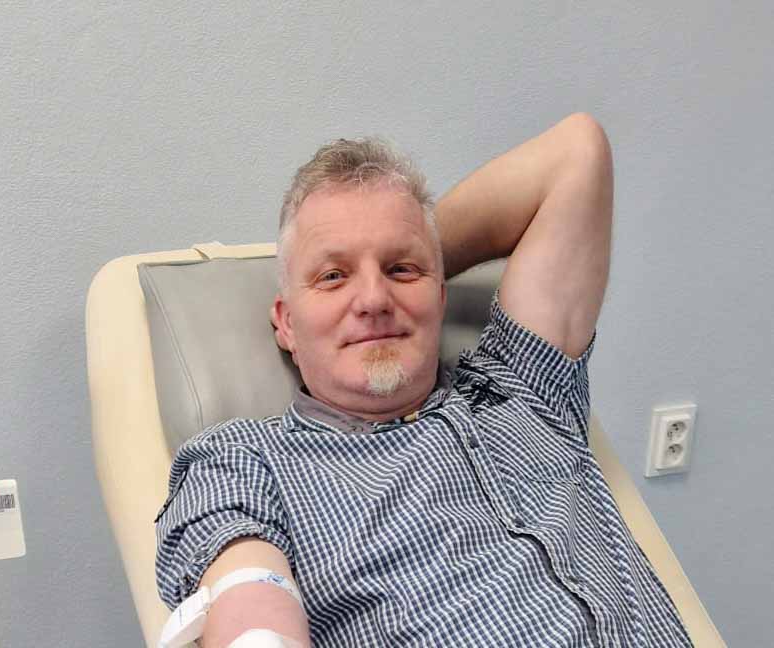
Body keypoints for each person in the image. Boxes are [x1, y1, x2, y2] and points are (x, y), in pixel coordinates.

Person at [155, 113, 693, 647]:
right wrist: (401, 257)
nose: (373, 300)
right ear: (287, 322)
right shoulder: (243, 459)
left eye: (400, 270)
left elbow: (577, 153)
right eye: (333, 276)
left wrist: (420, 246)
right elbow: (249, 599)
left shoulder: (520, 384)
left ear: (439, 297)